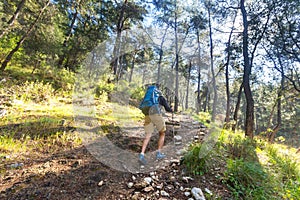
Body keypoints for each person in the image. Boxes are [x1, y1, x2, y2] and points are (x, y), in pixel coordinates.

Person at [139, 84, 173, 165]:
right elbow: (167, 108)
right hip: (156, 115)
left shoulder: (147, 97)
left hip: (147, 115)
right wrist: (171, 110)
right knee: (162, 133)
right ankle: (158, 153)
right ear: (158, 90)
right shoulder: (160, 96)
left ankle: (142, 154)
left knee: (148, 135)